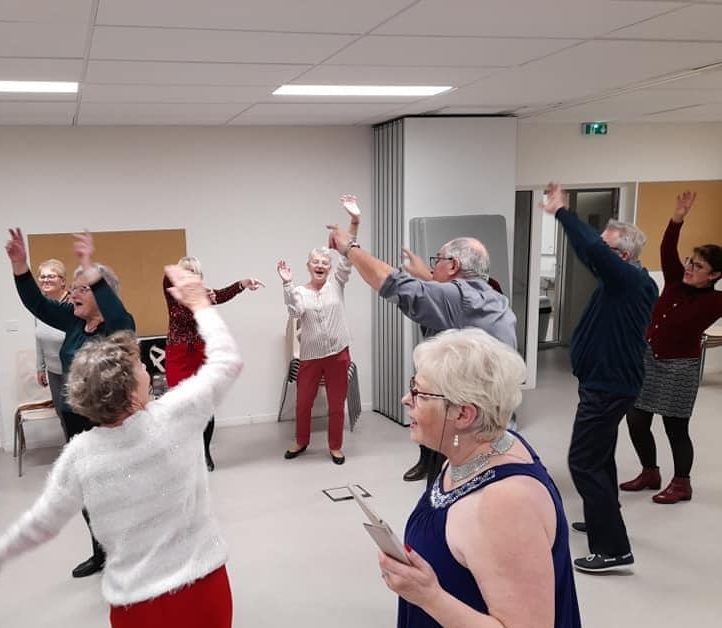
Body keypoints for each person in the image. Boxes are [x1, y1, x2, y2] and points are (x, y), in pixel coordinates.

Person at [0, 265, 241, 628]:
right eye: (140, 367)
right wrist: (200, 304)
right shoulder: (178, 414)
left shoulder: (80, 454)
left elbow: (43, 521)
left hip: (134, 603)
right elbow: (227, 361)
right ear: (133, 391)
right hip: (201, 589)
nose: (147, 369)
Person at [377, 328, 585, 628]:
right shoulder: (482, 449)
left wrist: (428, 596)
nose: (407, 399)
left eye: (420, 393)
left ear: (464, 414)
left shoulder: (504, 504)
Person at [327, 226, 517, 486]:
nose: (432, 267)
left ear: (453, 265)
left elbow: (390, 282)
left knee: (450, 497)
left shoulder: (460, 298)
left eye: (437, 260)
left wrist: (349, 247)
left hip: (470, 435)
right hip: (493, 428)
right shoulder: (491, 298)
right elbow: (447, 297)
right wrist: (427, 275)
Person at [5, 228, 135, 579]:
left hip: (111, 425)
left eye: (82, 289)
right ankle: (101, 551)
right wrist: (20, 266)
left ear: (103, 294)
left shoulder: (119, 325)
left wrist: (89, 267)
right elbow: (37, 304)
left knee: (117, 491)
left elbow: (114, 308)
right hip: (76, 419)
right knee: (88, 489)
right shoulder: (74, 322)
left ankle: (128, 552)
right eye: (73, 288)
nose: (73, 294)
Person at [540, 182, 657, 573]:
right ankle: (601, 516)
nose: (597, 254)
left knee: (583, 462)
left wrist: (561, 212)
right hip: (605, 384)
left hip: (608, 387)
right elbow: (594, 250)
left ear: (621, 256)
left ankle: (613, 548)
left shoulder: (628, 281)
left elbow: (589, 248)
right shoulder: (622, 282)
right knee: (601, 456)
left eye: (605, 249)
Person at [623, 192, 722, 504]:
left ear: (714, 275)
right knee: (636, 419)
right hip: (649, 360)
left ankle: (682, 484)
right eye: (691, 261)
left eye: (698, 265)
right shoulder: (676, 280)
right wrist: (677, 218)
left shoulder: (715, 301)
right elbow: (667, 248)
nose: (689, 267)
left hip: (680, 368)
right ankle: (650, 472)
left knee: (675, 428)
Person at [277, 194, 358, 465]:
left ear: (330, 267)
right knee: (303, 403)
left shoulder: (337, 283)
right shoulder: (300, 291)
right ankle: (301, 441)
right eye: (316, 262)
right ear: (309, 266)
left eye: (325, 262)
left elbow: (349, 255)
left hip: (338, 353)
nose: (320, 265)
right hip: (310, 356)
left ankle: (335, 446)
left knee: (336, 404)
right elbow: (294, 312)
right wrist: (287, 284)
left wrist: (354, 221)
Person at [164, 256, 262, 471]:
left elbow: (222, 294)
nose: (190, 277)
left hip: (200, 353)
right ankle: (186, 455)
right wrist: (200, 302)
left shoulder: (202, 295)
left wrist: (243, 283)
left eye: (195, 274)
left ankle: (204, 452)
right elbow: (181, 317)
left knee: (205, 407)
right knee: (180, 406)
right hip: (178, 354)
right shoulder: (172, 291)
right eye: (186, 272)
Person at [33, 258, 71, 439]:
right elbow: (39, 338)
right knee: (62, 414)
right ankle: (70, 448)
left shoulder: (72, 306)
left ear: (63, 281)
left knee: (77, 415)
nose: (46, 280)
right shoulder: (42, 307)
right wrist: (40, 367)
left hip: (74, 371)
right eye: (42, 276)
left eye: (51, 276)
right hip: (53, 371)